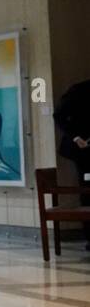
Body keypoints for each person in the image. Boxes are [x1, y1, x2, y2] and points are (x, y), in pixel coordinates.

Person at [54, 78, 90, 248]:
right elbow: (59, 115)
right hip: (82, 149)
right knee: (87, 188)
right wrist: (76, 137)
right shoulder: (79, 90)